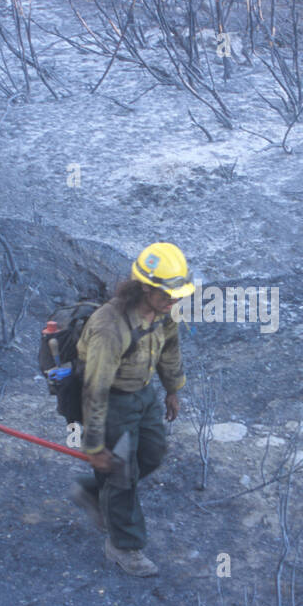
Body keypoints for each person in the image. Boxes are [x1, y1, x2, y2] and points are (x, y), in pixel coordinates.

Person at [72, 242, 193, 576]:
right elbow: (94, 390)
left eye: (177, 295)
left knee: (152, 454)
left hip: (144, 395)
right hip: (112, 402)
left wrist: (172, 390)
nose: (175, 301)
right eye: (168, 295)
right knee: (122, 476)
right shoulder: (110, 328)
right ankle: (124, 545)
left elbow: (169, 349)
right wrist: (94, 446)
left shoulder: (163, 313)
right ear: (145, 288)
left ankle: (95, 492)